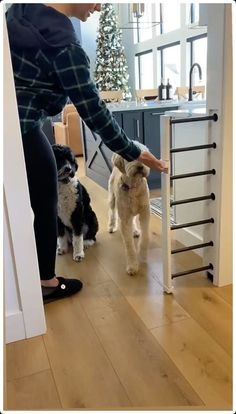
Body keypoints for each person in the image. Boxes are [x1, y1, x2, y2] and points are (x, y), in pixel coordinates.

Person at [6, 3, 168, 303]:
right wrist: (135, 152)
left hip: (16, 122)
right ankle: (45, 282)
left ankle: (30, 280)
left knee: (35, 202)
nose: (99, 5)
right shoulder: (63, 45)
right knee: (44, 203)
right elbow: (93, 109)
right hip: (23, 125)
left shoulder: (17, 14)